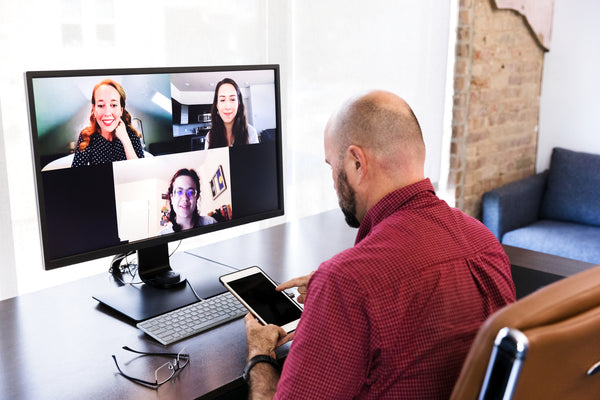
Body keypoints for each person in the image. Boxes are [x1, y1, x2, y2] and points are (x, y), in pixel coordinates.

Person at [244, 91, 516, 399]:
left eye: (332, 165)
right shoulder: (485, 243)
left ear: (357, 163)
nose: (332, 180)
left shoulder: (346, 282)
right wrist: (330, 296)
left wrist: (260, 354)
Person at [71, 79, 145, 167]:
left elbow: (140, 171)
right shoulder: (86, 137)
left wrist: (125, 140)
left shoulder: (131, 135)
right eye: (101, 105)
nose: (107, 113)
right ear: (94, 109)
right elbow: (76, 175)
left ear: (121, 110)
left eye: (113, 105)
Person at [205, 78, 259, 149]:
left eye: (232, 99)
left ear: (239, 104)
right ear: (217, 105)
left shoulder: (251, 133)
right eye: (222, 100)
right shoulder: (210, 136)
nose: (227, 106)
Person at [159, 168, 217, 234]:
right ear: (172, 198)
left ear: (197, 197)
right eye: (179, 192)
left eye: (190, 192)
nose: (185, 198)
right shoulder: (162, 236)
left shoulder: (210, 223)